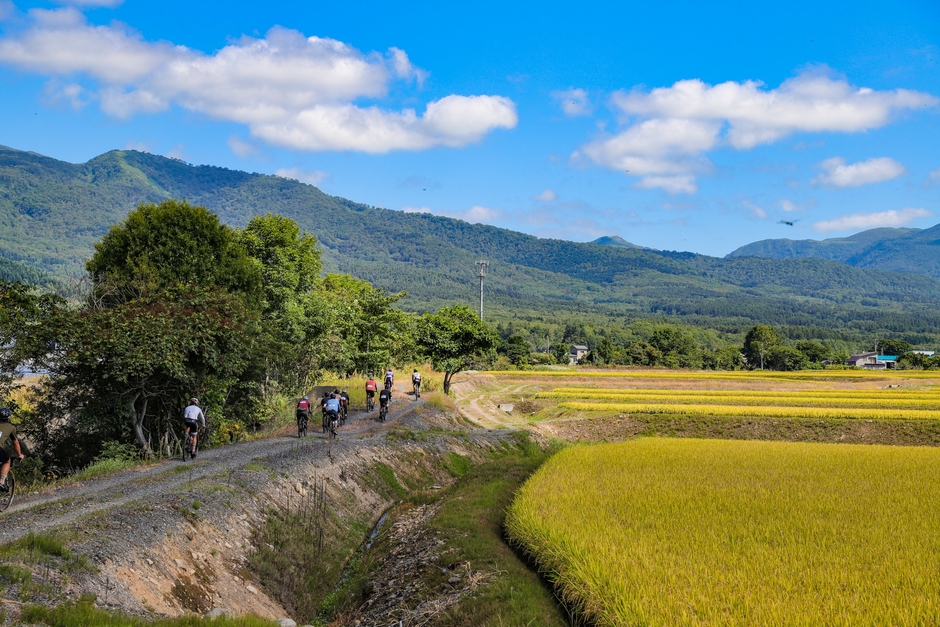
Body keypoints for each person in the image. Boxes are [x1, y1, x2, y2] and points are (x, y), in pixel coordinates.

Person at [0, 407, 24, 493]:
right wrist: (19, 454)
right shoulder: (11, 427)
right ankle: (1, 482)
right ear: (8, 418)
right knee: (7, 461)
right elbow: (16, 443)